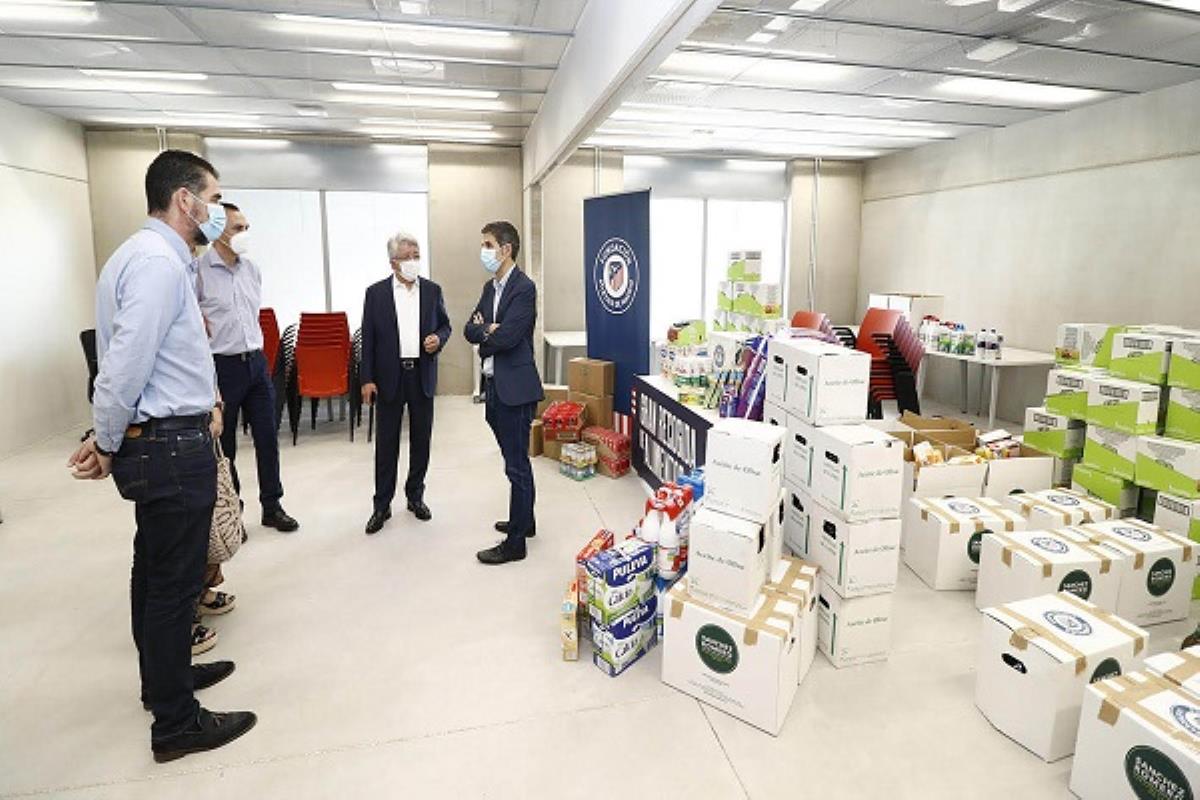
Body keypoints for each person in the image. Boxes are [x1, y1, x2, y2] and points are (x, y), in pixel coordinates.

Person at [67, 149, 256, 763]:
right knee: (173, 584)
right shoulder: (158, 263)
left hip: (164, 442)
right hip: (171, 446)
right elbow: (124, 361)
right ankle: (176, 723)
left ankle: (164, 682)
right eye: (214, 197)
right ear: (185, 200)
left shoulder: (140, 256)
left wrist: (111, 434)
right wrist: (104, 437)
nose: (218, 213)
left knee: (153, 570)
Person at [195, 202, 299, 533]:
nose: (244, 234)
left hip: (255, 362)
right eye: (238, 228)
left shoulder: (251, 269)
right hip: (221, 367)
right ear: (217, 232)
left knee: (268, 438)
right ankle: (232, 511)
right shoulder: (197, 272)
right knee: (224, 446)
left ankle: (273, 506)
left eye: (246, 228)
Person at [464, 221, 544, 565]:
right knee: (513, 461)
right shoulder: (489, 287)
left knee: (516, 465)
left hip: (516, 388)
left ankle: (515, 544)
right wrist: (486, 331)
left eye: (488, 244)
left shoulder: (523, 288)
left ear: (506, 249)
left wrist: (488, 335)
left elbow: (510, 337)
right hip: (495, 386)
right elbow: (470, 329)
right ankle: (524, 522)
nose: (483, 251)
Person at [360, 232, 451, 535]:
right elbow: (369, 340)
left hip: (421, 374)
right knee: (386, 444)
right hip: (389, 377)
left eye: (417, 255)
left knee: (421, 440)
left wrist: (438, 339)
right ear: (393, 263)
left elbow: (445, 325)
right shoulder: (376, 294)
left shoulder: (433, 290)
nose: (414, 261)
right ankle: (381, 504)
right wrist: (367, 379)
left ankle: (415, 496)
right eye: (407, 256)